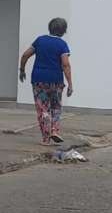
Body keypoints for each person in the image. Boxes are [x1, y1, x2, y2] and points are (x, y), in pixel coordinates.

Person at [18, 18, 73, 146]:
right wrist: (70, 84)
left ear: (50, 27)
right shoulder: (62, 44)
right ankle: (54, 130)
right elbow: (66, 65)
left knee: (43, 108)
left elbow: (25, 55)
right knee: (56, 107)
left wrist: (22, 70)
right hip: (56, 81)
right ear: (63, 31)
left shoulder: (40, 40)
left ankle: (45, 138)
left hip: (39, 80)